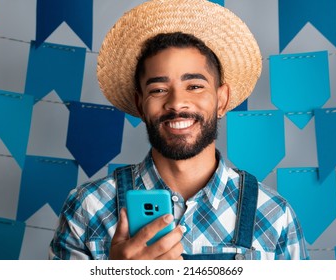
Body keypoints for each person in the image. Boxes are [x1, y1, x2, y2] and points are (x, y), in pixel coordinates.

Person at [49, 0, 309, 260]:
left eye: (195, 86)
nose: (176, 103)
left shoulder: (274, 216)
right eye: (158, 90)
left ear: (222, 100)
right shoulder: (87, 208)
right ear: (140, 104)